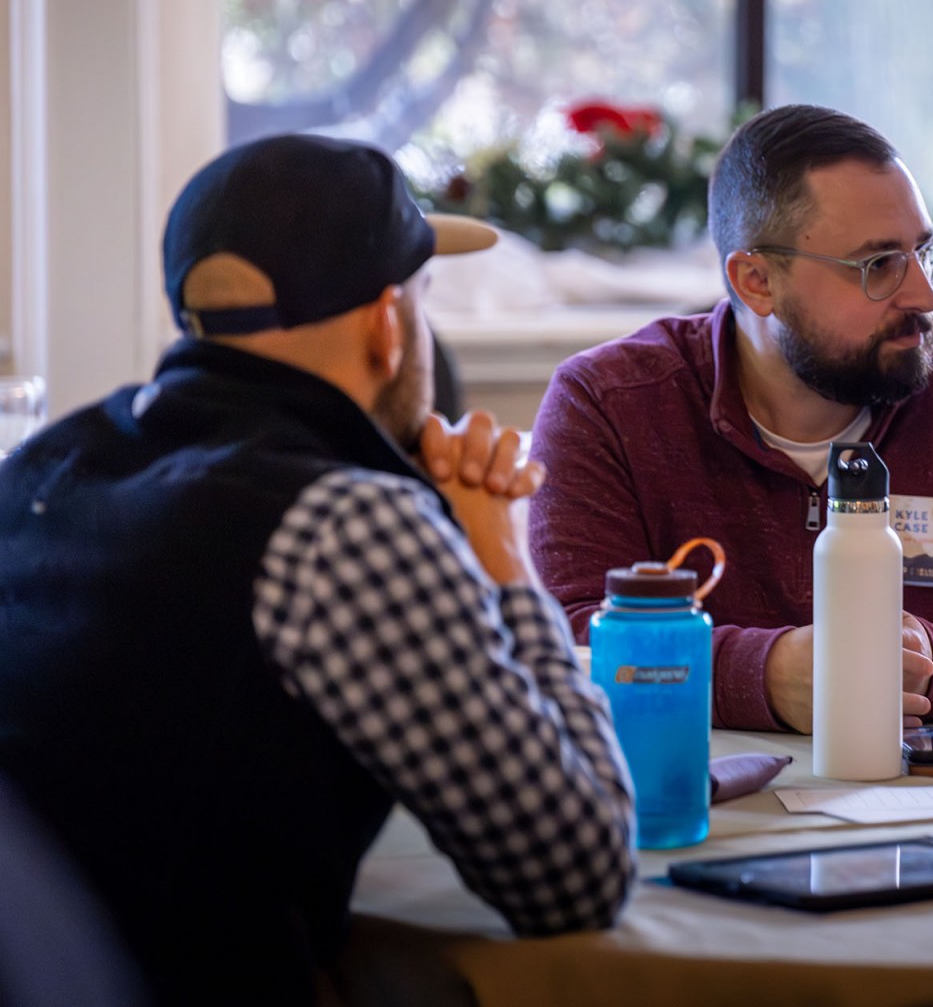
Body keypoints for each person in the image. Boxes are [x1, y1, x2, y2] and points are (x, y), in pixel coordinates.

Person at [0, 135, 636, 1006]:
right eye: (422, 297)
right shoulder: (344, 524)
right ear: (386, 323)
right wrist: (499, 556)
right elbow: (580, 872)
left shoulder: (45, 466)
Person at [530, 104, 933, 732]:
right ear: (756, 282)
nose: (924, 297)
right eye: (877, 265)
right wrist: (765, 674)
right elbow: (571, 639)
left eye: (924, 252)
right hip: (695, 794)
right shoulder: (611, 403)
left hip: (914, 798)